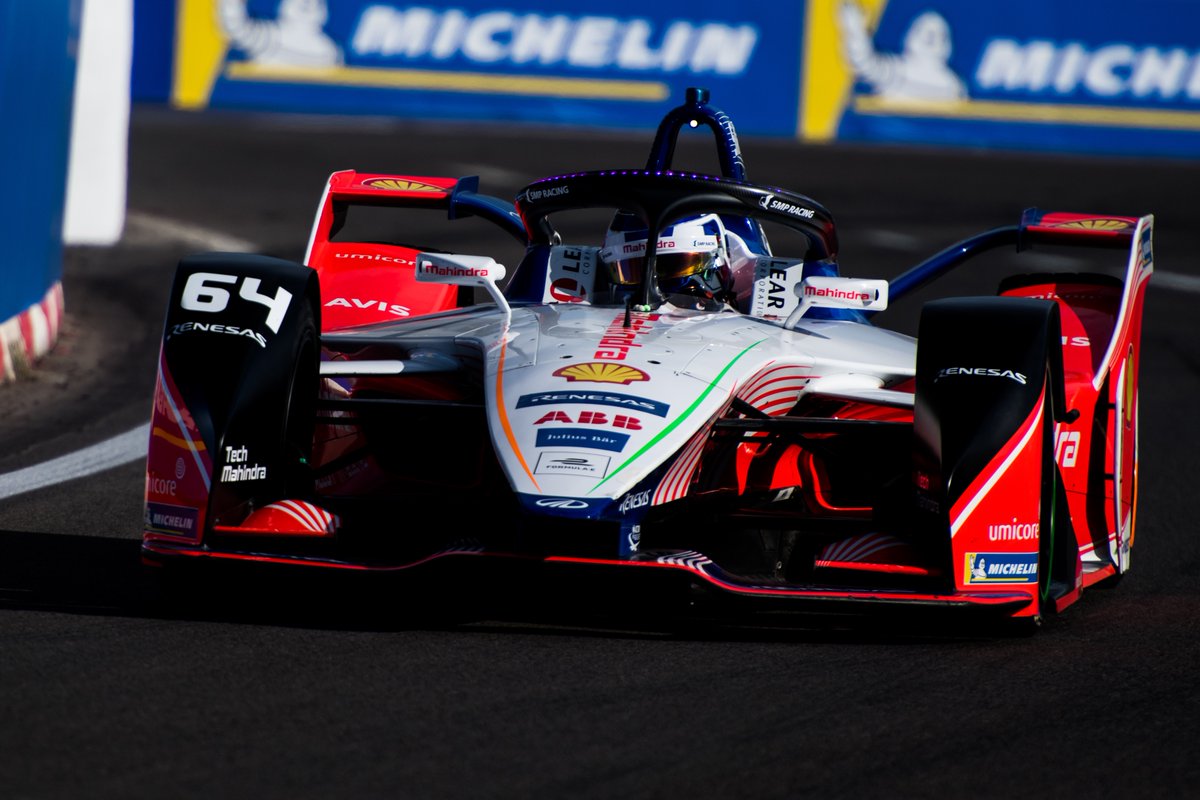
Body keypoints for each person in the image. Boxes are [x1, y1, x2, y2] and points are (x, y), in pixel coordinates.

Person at [598, 212, 761, 308]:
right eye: (635, 270)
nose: (652, 292)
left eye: (673, 266)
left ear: (717, 259)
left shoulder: (759, 290)